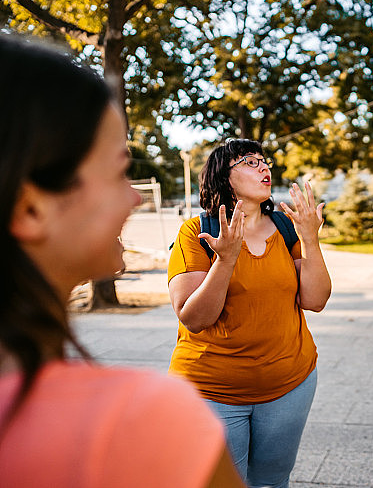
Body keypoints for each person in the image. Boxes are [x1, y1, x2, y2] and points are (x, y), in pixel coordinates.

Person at [0, 35, 244, 487]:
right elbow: (193, 315)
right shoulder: (141, 423)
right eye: (117, 172)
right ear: (29, 208)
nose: (134, 197)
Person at [167, 139, 331, 488]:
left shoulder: (287, 228)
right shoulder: (198, 233)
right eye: (249, 162)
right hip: (212, 391)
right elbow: (193, 317)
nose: (263, 167)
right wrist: (226, 259)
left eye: (264, 160)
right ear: (223, 178)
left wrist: (310, 239)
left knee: (272, 482)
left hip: (289, 387)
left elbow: (315, 300)